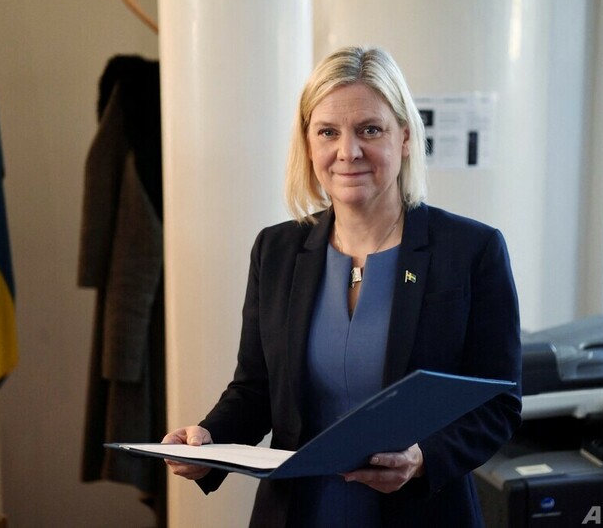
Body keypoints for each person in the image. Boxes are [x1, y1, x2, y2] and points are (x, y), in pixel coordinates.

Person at [163, 45, 521, 527]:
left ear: (405, 136)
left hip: (422, 514)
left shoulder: (471, 250)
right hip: (299, 513)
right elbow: (256, 389)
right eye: (328, 132)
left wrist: (423, 459)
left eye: (369, 130)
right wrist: (207, 441)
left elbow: (498, 404)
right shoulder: (276, 250)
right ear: (308, 143)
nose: (348, 152)